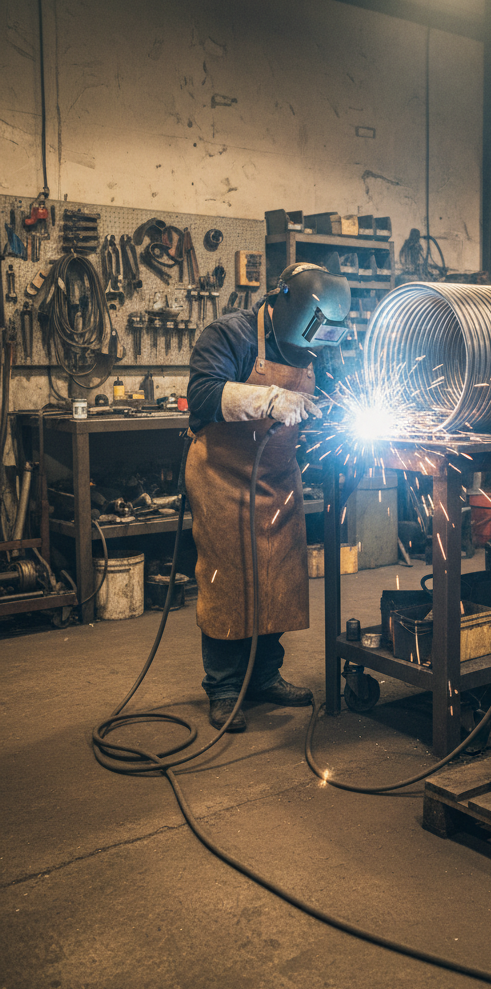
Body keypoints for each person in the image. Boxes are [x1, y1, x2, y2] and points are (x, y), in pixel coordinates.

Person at [185, 261, 351, 732]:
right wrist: (268, 399)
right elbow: (201, 396)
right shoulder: (229, 335)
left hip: (277, 478)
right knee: (228, 581)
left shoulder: (320, 347)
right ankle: (222, 687)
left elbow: (334, 393)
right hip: (223, 477)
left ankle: (264, 676)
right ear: (279, 304)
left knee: (279, 574)